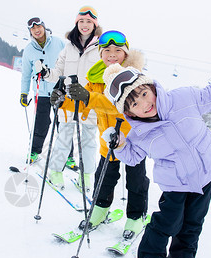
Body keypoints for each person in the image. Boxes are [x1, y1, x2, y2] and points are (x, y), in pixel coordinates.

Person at [101, 62, 211, 258]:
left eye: (144, 93)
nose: (144, 103)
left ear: (151, 86)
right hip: (175, 182)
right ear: (128, 112)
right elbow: (132, 158)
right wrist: (120, 144)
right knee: (168, 222)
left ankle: (182, 256)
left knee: (194, 220)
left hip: (206, 172)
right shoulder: (138, 132)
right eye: (134, 103)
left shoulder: (184, 98)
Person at [52, 31, 150, 241]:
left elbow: (120, 105)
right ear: (100, 54)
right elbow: (83, 104)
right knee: (104, 178)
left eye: (117, 51)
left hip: (133, 141)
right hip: (108, 140)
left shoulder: (133, 76)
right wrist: (64, 101)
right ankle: (100, 209)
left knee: (135, 181)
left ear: (125, 53)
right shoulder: (95, 77)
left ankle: (135, 217)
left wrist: (89, 97)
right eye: (107, 51)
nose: (112, 55)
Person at [35, 6, 102, 190]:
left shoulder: (101, 48)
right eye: (81, 21)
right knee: (64, 137)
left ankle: (86, 176)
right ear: (76, 23)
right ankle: (55, 172)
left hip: (89, 101)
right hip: (69, 100)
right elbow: (58, 73)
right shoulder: (69, 47)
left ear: (95, 24)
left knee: (88, 141)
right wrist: (46, 73)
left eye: (89, 21)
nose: (85, 25)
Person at [20, 17, 65, 163]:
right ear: (30, 32)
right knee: (41, 123)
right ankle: (34, 152)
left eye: (38, 27)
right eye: (33, 29)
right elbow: (26, 74)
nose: (36, 30)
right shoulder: (29, 50)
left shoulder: (58, 43)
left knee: (63, 124)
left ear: (44, 27)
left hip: (59, 91)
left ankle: (69, 157)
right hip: (42, 92)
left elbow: (68, 63)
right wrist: (24, 93)